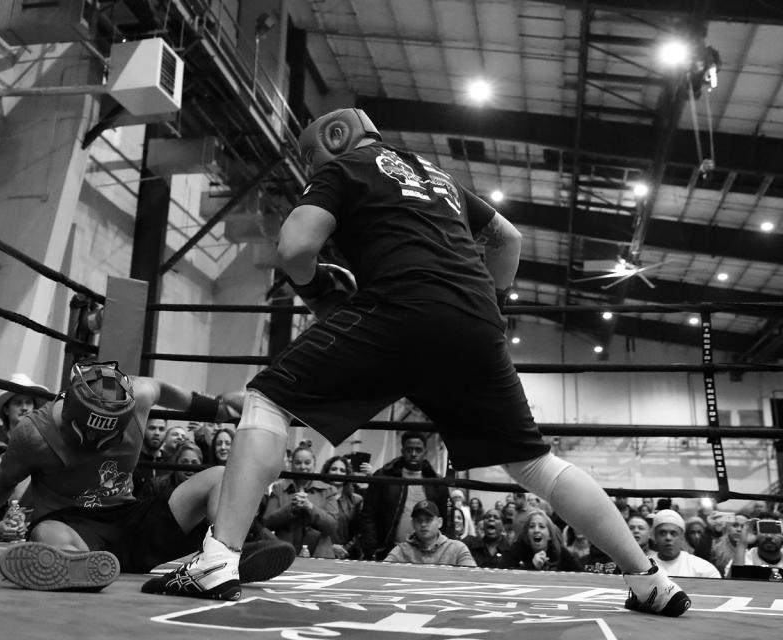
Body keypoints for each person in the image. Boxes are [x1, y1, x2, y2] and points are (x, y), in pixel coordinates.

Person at [144, 107, 690, 616]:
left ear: (333, 139)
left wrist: (314, 288)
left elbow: (293, 247)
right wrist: (488, 304)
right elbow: (508, 237)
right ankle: (649, 581)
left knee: (267, 399)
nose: (311, 168)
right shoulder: (437, 177)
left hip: (399, 308)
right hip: (476, 325)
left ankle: (216, 560)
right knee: (533, 463)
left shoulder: (348, 164)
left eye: (311, 159)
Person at [0, 361, 294, 593]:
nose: (98, 441)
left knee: (219, 475)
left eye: (109, 433)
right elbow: (1, 484)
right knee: (45, 533)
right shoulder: (35, 434)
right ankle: (73, 565)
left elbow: (165, 390)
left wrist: (216, 408)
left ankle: (233, 551)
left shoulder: (137, 397)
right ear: (71, 413)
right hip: (75, 525)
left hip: (132, 518)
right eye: (90, 431)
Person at [359, 432, 449, 560]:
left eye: (418, 450)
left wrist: (444, 551)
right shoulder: (383, 476)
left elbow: (445, 518)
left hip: (428, 553)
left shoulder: (437, 483)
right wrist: (371, 549)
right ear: (402, 451)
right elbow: (368, 514)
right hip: (387, 551)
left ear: (425, 452)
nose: (413, 454)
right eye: (409, 449)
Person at [262, 446, 338, 558]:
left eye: (307, 463)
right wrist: (290, 508)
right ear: (291, 464)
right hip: (284, 553)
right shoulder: (278, 488)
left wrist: (311, 507)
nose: (303, 467)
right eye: (298, 463)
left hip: (320, 555)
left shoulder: (328, 490)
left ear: (314, 464)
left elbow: (332, 526)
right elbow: (267, 523)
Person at [384, 500, 475, 567]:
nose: (423, 524)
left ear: (440, 522)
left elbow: (473, 576)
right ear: (412, 524)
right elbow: (382, 573)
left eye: (429, 520)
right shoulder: (401, 551)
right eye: (419, 520)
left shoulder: (458, 549)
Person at [647, 510, 720, 579]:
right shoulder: (645, 566)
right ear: (655, 536)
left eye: (673, 533)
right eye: (662, 533)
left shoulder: (703, 569)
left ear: (682, 537)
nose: (668, 538)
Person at [512, 509, 583, 572]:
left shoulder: (560, 552)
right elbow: (503, 574)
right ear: (527, 533)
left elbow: (582, 574)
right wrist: (532, 566)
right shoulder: (517, 549)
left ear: (550, 536)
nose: (536, 530)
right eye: (532, 526)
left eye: (541, 526)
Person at [0, 373, 49, 441]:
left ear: (34, 408)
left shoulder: (44, 441)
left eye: (28, 403)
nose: (24, 408)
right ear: (6, 410)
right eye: (18, 403)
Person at [322, 455, 363, 559]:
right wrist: (330, 547)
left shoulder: (357, 500)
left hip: (349, 555)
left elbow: (360, 532)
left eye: (342, 470)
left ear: (347, 474)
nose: (338, 473)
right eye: (334, 469)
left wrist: (345, 548)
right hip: (321, 551)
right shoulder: (317, 497)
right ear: (327, 472)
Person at [136, 442, 203, 500]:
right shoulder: (156, 486)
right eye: (184, 462)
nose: (189, 467)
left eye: (194, 463)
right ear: (176, 463)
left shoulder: (205, 489)